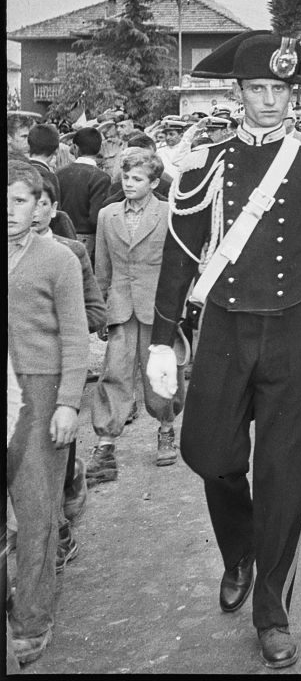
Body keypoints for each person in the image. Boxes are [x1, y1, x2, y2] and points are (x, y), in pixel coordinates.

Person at [146, 30, 301, 670]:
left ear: (293, 95)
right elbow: (180, 254)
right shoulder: (206, 160)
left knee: (282, 476)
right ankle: (238, 547)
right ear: (238, 92)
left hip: (292, 329)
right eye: (258, 88)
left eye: (280, 89)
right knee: (207, 453)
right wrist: (162, 340)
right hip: (223, 328)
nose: (269, 100)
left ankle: (272, 611)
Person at [7, 161, 90, 667]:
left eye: (18, 200)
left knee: (37, 511)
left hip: (40, 394)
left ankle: (32, 619)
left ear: (39, 204)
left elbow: (77, 335)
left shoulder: (58, 259)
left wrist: (68, 403)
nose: (8, 210)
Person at [88, 149, 182, 483]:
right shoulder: (107, 215)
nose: (129, 184)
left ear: (154, 183)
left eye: (137, 179)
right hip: (120, 307)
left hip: (157, 308)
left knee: (159, 373)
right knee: (114, 372)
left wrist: (178, 309)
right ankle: (105, 444)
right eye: (126, 177)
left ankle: (166, 428)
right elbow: (102, 266)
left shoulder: (168, 213)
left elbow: (178, 265)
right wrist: (100, 308)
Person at [30, 175, 107, 567]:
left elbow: (95, 311)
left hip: (59, 371)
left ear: (54, 208)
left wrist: (57, 327)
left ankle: (59, 526)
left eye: (41, 203)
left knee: (55, 451)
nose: (32, 212)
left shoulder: (71, 252)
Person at [55, 126, 111, 262]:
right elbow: (95, 217)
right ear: (99, 148)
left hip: (60, 234)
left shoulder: (60, 173)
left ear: (75, 147)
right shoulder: (101, 177)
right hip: (86, 237)